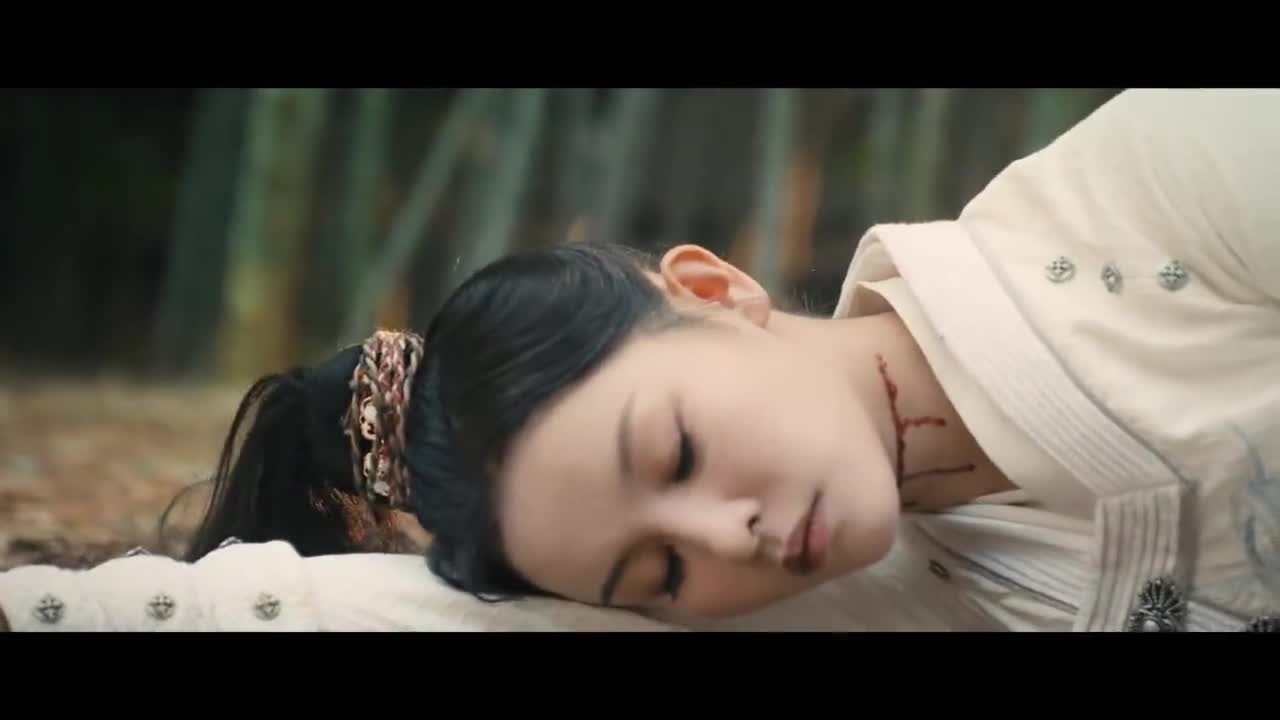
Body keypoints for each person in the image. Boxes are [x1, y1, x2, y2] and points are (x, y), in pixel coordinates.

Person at [2, 87, 1278, 632]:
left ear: (715, 293)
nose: (728, 540)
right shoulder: (878, 594)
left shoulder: (1155, 197)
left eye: (675, 452)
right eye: (657, 576)